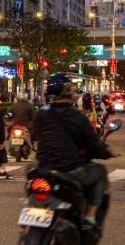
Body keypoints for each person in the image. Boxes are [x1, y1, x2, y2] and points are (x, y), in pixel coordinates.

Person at [34, 73, 113, 227]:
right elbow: (93, 144)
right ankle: (90, 216)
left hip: (44, 167)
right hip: (69, 168)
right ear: (68, 91)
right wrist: (104, 152)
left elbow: (36, 136)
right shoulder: (78, 117)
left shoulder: (40, 115)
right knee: (100, 171)